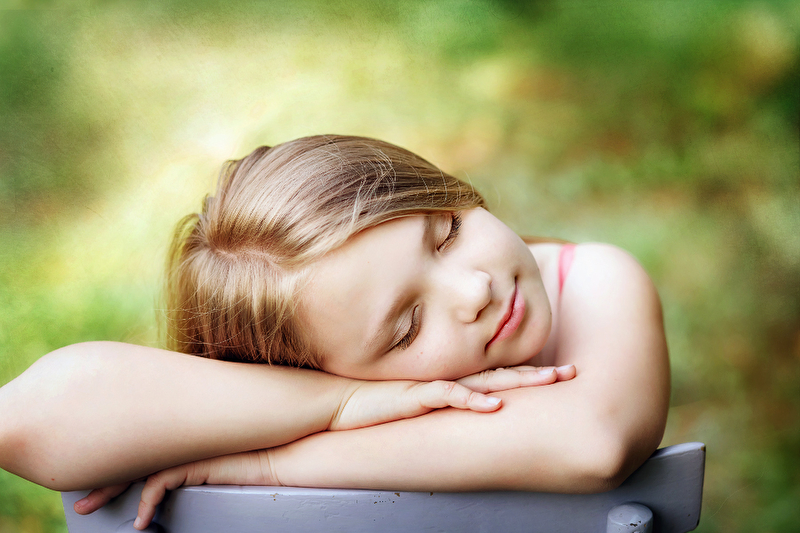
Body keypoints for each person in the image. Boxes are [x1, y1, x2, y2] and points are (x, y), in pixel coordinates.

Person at [0, 135, 670, 531]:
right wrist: (340, 403)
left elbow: (594, 442)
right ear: (311, 370)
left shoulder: (591, 280)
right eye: (407, 326)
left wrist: (272, 465)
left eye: (446, 233)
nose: (475, 291)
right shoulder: (322, 394)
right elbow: (24, 421)